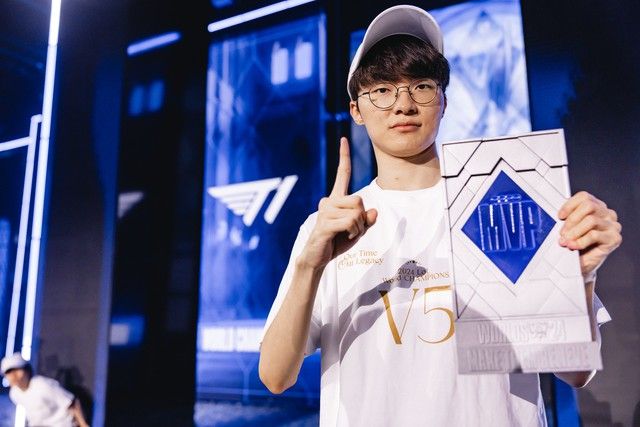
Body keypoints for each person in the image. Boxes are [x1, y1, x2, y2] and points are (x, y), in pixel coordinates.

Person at [258, 5, 622, 426]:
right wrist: (310, 264)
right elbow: (275, 376)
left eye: (421, 86)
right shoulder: (328, 229)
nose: (404, 104)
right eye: (382, 89)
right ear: (356, 109)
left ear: (444, 100)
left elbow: (576, 371)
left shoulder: (502, 205)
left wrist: (581, 277)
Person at [1, 353, 90, 427]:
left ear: (26, 370)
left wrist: (83, 424)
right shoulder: (14, 394)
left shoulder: (42, 385)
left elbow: (71, 403)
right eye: (8, 373)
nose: (13, 376)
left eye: (16, 370)